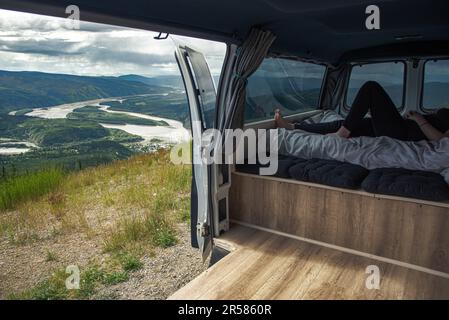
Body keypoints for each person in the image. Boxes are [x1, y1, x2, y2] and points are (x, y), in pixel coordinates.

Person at [275, 81, 449, 142]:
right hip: (404, 126)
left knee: (371, 88)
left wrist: (419, 119)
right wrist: (413, 117)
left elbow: (442, 140)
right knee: (344, 124)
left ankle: (341, 134)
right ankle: (293, 127)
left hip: (402, 133)